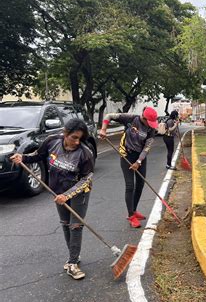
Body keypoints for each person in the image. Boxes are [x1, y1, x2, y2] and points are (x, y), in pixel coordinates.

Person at [10, 119, 95, 280]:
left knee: (75, 225)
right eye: (74, 137)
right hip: (58, 191)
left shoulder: (85, 153)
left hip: (79, 192)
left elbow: (87, 178)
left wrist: (67, 195)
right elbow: (38, 155)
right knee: (65, 223)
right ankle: (73, 256)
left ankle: (72, 263)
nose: (77, 142)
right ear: (65, 133)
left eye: (80, 138)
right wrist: (22, 157)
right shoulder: (52, 141)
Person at [99, 107, 157, 228]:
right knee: (130, 186)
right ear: (143, 117)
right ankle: (131, 216)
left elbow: (147, 147)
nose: (150, 125)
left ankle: (134, 210)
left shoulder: (151, 129)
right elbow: (108, 116)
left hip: (140, 157)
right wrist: (103, 129)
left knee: (140, 184)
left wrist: (139, 161)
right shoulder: (131, 119)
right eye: (148, 122)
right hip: (127, 155)